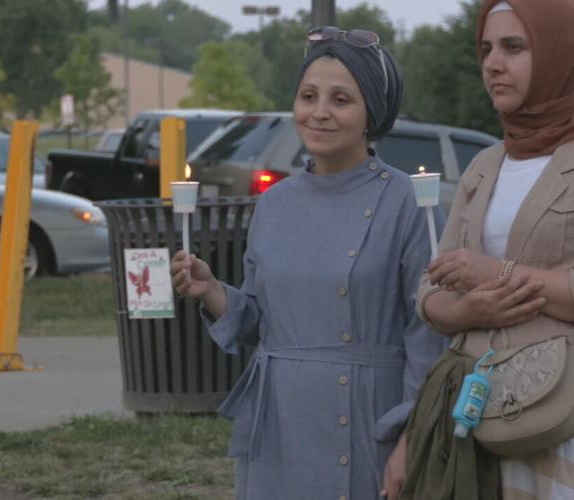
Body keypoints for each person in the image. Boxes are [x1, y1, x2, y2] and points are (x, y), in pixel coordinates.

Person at [170, 27, 446, 500]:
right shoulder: (273, 203)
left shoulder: (407, 202)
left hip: (367, 420)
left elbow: (429, 335)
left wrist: (411, 435)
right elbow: (262, 319)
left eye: (341, 99)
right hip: (278, 420)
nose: (319, 112)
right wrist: (213, 290)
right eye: (308, 96)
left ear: (371, 113)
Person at [415, 0, 574, 498]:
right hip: (481, 415)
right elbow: (431, 284)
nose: (492, 63)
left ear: (560, 53)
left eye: (513, 47)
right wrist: (464, 309)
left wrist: (497, 274)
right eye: (486, 48)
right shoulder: (486, 163)